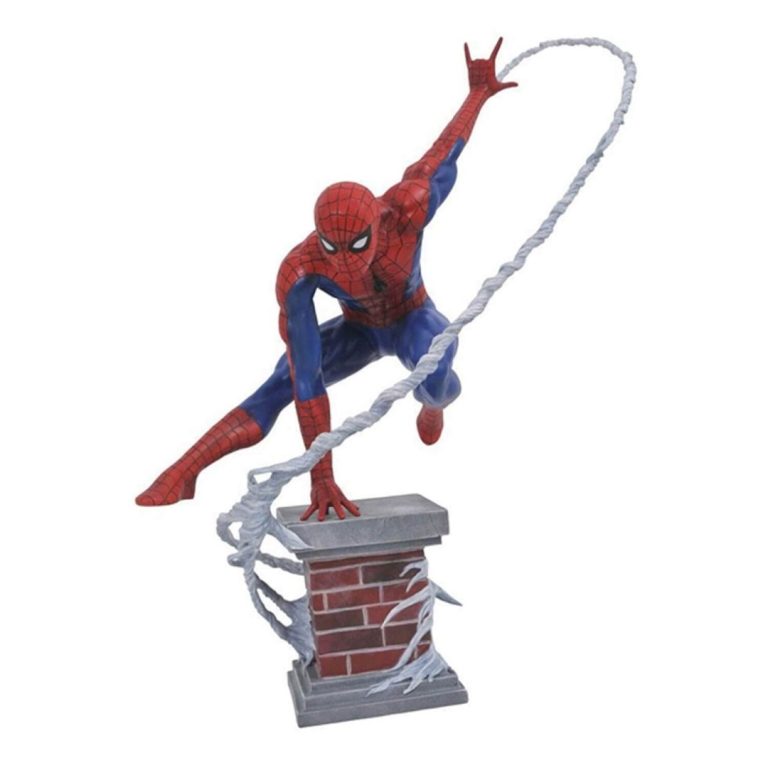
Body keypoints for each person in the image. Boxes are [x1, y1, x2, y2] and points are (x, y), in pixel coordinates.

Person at [136, 38, 517, 521]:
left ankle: (432, 406)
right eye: (332, 248)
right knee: (280, 383)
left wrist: (477, 94)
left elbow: (444, 153)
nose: (346, 264)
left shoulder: (407, 209)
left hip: (411, 317)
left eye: (356, 246)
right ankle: (185, 470)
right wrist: (322, 476)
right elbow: (308, 378)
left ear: (377, 223)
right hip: (357, 331)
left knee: (438, 374)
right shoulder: (301, 270)